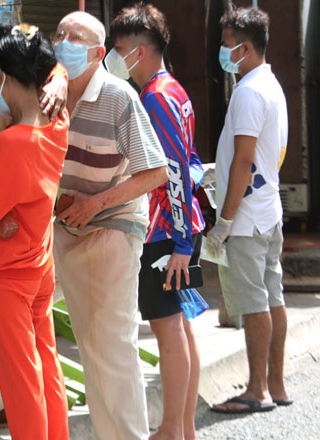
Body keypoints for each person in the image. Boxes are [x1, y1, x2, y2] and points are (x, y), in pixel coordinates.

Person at [52, 11, 169, 440]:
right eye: (59, 33)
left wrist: (94, 204)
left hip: (113, 224)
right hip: (61, 225)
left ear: (98, 53)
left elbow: (155, 171)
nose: (63, 41)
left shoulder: (119, 97)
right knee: (1, 304)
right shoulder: (48, 94)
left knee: (109, 347)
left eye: (75, 37)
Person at [0, 23, 70, 440]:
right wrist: (57, 77)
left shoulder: (9, 143)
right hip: (40, 263)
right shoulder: (58, 121)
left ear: (1, 75)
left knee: (20, 379)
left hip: (7, 276)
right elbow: (54, 64)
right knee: (46, 364)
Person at [108, 4, 205, 439]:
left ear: (140, 52)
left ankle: (171, 429)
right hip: (175, 231)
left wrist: (182, 243)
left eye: (119, 50)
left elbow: (175, 171)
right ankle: (182, 429)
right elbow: (191, 162)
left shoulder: (155, 97)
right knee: (179, 330)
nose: (114, 58)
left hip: (167, 233)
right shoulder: (174, 90)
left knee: (170, 333)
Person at [210, 6, 290, 414]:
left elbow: (244, 160)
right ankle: (275, 384)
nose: (222, 52)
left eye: (226, 45)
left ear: (243, 47)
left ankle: (256, 389)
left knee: (255, 302)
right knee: (271, 296)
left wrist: (224, 221)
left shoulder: (247, 92)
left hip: (246, 218)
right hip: (267, 211)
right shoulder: (270, 84)